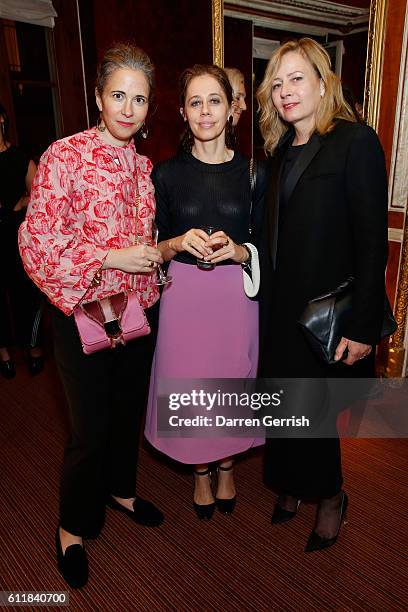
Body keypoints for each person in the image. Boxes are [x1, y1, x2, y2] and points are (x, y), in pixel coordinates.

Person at [19, 43, 164, 589]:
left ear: (149, 110)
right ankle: (72, 527)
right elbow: (36, 241)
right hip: (79, 312)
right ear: (99, 97)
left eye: (141, 99)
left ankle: (121, 490)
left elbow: (141, 241)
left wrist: (150, 259)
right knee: (88, 427)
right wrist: (108, 256)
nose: (129, 108)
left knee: (126, 413)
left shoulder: (144, 167)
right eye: (119, 95)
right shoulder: (65, 155)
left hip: (133, 312)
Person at [256, 38, 388, 552]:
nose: (286, 91)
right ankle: (290, 486)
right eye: (278, 82)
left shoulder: (354, 141)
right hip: (280, 307)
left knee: (315, 413)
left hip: (326, 312)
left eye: (296, 78)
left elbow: (372, 240)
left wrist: (362, 325)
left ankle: (331, 496)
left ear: (322, 81)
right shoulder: (279, 152)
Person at [144, 64, 265, 520]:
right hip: (186, 297)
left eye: (214, 100)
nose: (205, 111)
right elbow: (151, 247)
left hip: (235, 298)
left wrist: (239, 251)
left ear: (232, 109)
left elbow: (267, 247)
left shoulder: (254, 173)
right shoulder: (165, 176)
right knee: (192, 384)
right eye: (195, 102)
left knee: (232, 380)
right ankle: (199, 471)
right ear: (183, 112)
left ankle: (228, 464)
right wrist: (175, 243)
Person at [0, 103, 44, 378]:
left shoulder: (20, 158)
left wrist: (23, 202)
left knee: (24, 294)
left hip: (16, 236)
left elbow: (42, 197)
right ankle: (3, 351)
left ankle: (34, 347)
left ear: (2, 118)